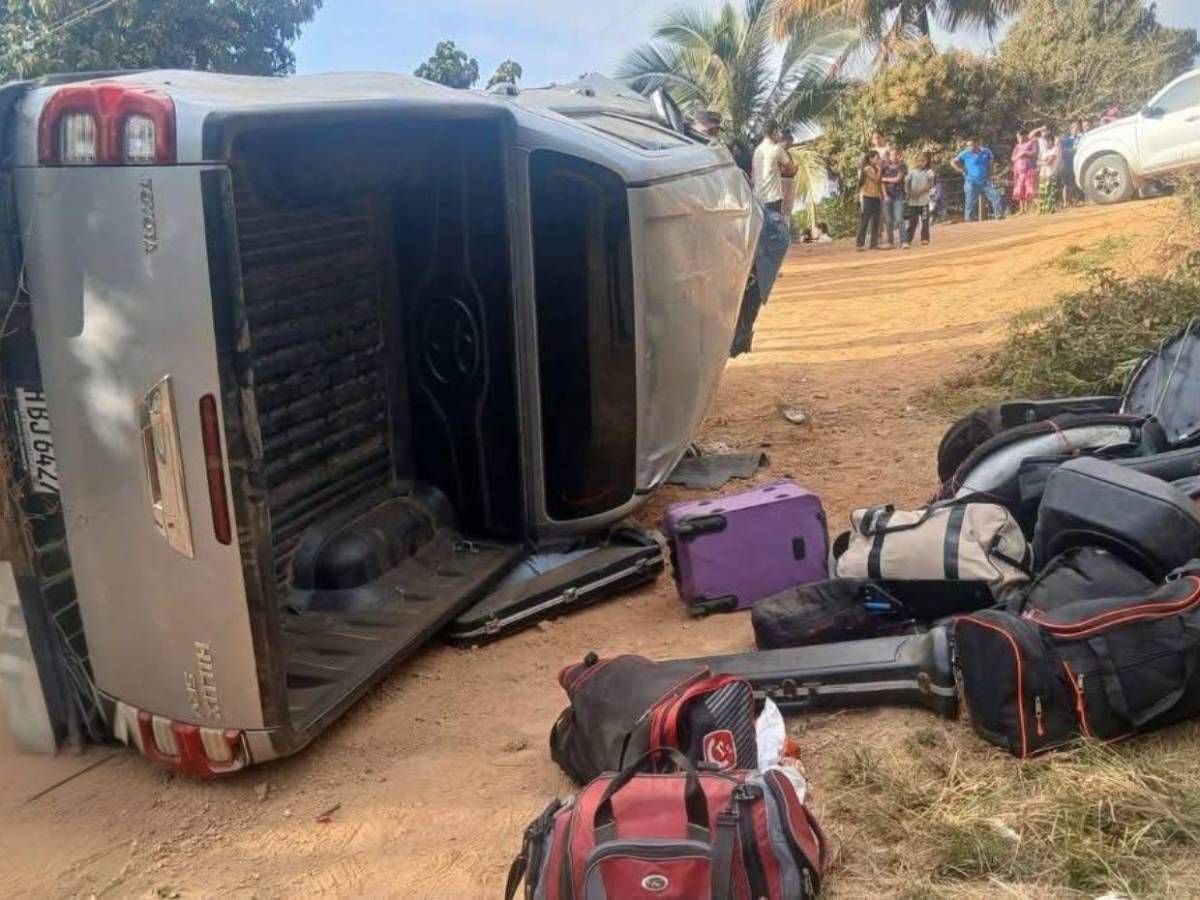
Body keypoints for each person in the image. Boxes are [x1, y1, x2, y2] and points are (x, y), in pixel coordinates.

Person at [952, 138, 1005, 222]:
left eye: (971, 145)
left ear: (977, 144)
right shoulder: (965, 153)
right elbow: (953, 162)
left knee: (996, 196)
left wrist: (990, 174)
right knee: (970, 202)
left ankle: (999, 216)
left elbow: (991, 163)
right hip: (971, 181)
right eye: (968, 145)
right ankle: (969, 220)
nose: (969, 147)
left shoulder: (987, 152)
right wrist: (961, 169)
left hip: (985, 181)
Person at [752, 121, 797, 214]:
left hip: (758, 198)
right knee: (775, 227)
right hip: (773, 199)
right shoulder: (776, 149)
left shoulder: (757, 151)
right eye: (778, 132)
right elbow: (792, 169)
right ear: (774, 132)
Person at [904, 151, 936, 247]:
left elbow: (930, 184)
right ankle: (908, 240)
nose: (920, 163)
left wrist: (920, 192)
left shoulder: (929, 172)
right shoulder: (912, 172)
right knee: (912, 222)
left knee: (925, 220)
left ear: (926, 162)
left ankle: (925, 238)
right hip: (913, 201)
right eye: (919, 161)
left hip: (924, 201)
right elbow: (907, 183)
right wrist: (910, 192)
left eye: (923, 161)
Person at [856, 150, 884, 251]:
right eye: (877, 158)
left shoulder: (875, 168)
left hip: (876, 196)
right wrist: (880, 169)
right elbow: (876, 179)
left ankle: (874, 244)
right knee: (865, 220)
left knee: (876, 221)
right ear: (870, 158)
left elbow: (878, 183)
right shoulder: (867, 169)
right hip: (867, 196)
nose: (878, 160)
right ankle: (860, 244)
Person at [881, 147, 908, 248]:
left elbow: (898, 179)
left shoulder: (902, 166)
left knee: (899, 218)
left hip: (898, 195)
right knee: (888, 220)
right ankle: (890, 242)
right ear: (889, 156)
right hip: (887, 195)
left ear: (900, 155)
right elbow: (881, 183)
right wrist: (885, 195)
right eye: (892, 155)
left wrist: (885, 179)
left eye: (896, 154)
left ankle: (904, 241)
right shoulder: (885, 168)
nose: (894, 157)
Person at [1010, 130, 1039, 215]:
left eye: (1019, 136)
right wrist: (1018, 156)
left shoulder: (1032, 143)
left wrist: (1025, 153)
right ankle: (1022, 209)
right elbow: (1012, 158)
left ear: (1025, 136)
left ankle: (1035, 207)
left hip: (1029, 169)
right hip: (1018, 171)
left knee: (1030, 188)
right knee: (1020, 189)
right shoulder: (1017, 146)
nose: (1018, 139)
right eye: (1017, 137)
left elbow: (1035, 153)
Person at [1037, 126, 1060, 215]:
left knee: (1050, 192)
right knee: (1043, 192)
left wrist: (1040, 162)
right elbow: (1042, 161)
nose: (1048, 142)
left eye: (1050, 140)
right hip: (1043, 173)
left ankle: (1050, 209)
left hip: (1050, 173)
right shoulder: (1046, 151)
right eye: (1047, 140)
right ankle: (1043, 210)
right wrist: (1042, 162)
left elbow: (1048, 162)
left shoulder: (1054, 150)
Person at [1059, 121, 1082, 206]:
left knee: (1074, 183)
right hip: (1067, 163)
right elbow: (1062, 151)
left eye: (1078, 129)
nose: (1076, 131)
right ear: (1071, 130)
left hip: (1076, 162)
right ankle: (1065, 202)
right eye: (1075, 129)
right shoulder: (1066, 140)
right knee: (1066, 185)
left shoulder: (1081, 138)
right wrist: (1072, 151)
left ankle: (1074, 201)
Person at [779, 131, 798, 223]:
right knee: (781, 208)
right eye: (787, 143)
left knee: (788, 208)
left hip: (790, 180)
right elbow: (781, 169)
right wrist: (789, 169)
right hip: (782, 181)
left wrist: (793, 169)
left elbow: (793, 169)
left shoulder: (788, 154)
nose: (789, 145)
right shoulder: (777, 153)